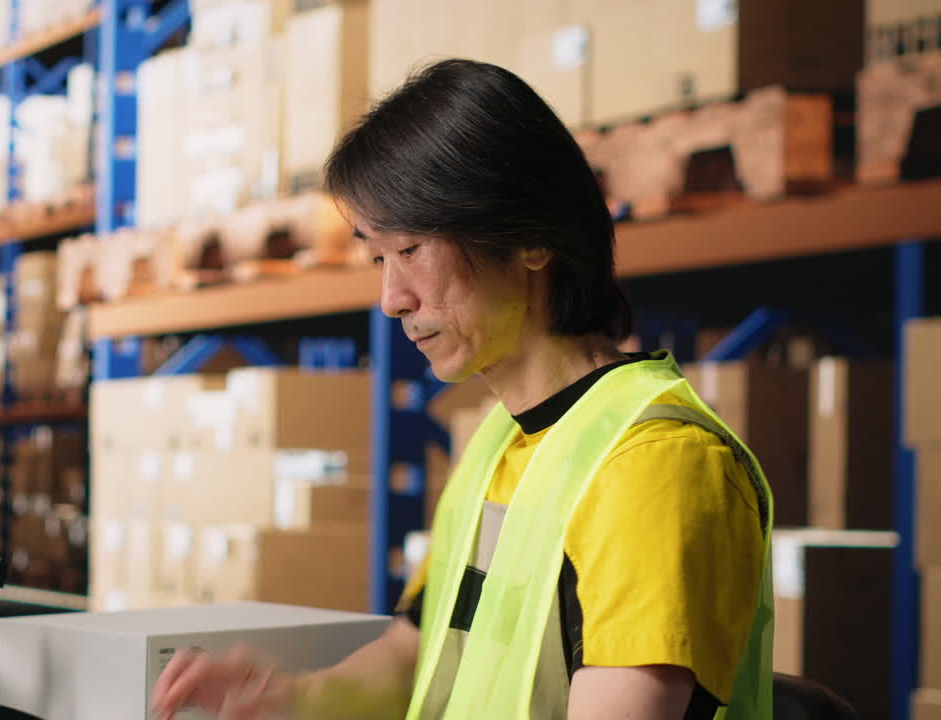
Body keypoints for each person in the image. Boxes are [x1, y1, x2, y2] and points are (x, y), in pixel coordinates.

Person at [150, 59, 773, 720]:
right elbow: (419, 654)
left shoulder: (655, 466)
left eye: (411, 250)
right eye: (378, 258)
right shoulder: (498, 443)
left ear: (531, 238)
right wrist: (283, 700)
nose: (392, 298)